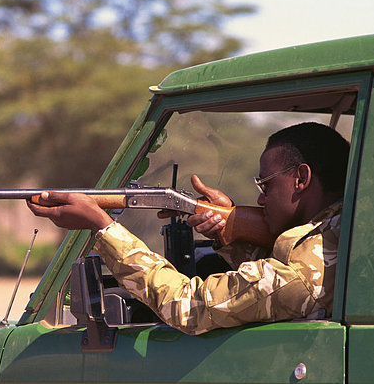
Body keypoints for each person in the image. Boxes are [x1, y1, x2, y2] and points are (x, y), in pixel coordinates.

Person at [27, 122, 350, 335]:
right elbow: (272, 276)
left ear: (301, 178)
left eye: (266, 185)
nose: (260, 199)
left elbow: (185, 305)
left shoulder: (303, 274)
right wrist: (226, 230)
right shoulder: (338, 235)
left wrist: (101, 226)